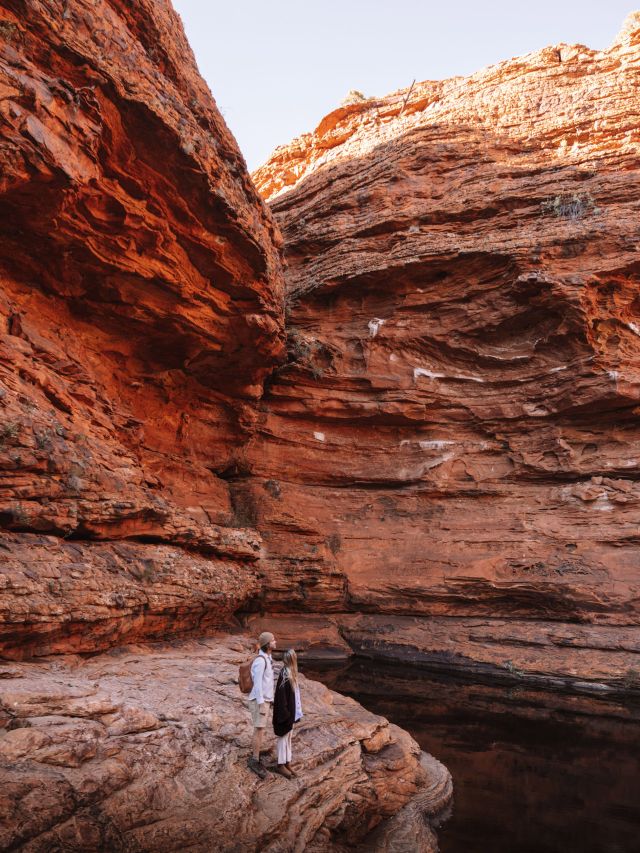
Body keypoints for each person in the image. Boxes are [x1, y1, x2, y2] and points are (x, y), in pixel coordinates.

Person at [247, 631, 276, 779]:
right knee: (258, 729)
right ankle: (254, 759)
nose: (275, 642)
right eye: (273, 640)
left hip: (266, 699)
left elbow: (267, 682)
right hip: (260, 700)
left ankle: (256, 756)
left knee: (260, 729)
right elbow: (257, 684)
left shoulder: (268, 658)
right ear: (268, 644)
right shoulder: (260, 661)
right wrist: (261, 704)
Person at [272, 648, 303, 779]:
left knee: (288, 738)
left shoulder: (292, 673)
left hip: (292, 714)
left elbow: (295, 695)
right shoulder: (284, 674)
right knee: (283, 738)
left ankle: (287, 762)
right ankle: (280, 764)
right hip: (286, 715)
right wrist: (285, 714)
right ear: (292, 659)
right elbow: (281, 697)